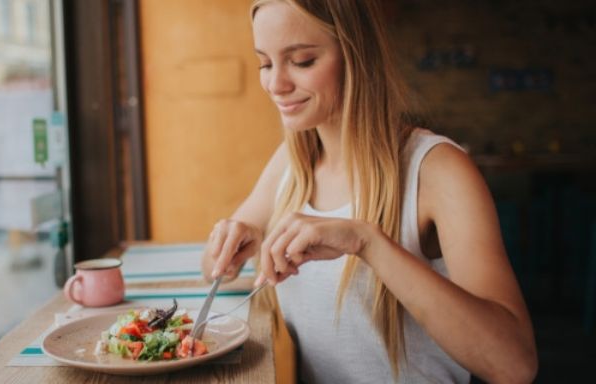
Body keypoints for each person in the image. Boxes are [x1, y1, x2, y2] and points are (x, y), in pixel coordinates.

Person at [200, 0, 537, 382]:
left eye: (303, 61)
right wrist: (228, 244)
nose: (276, 84)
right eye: (265, 63)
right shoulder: (293, 163)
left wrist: (368, 243)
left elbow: (515, 365)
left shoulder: (438, 170)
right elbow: (214, 269)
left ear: (356, 56)